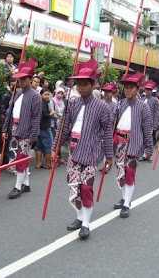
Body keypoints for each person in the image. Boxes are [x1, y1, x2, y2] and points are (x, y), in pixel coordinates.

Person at [51, 58, 113, 239]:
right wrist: (55, 148)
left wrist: (109, 155)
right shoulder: (73, 104)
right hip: (73, 152)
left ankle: (86, 223)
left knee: (86, 188)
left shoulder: (101, 106)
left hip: (92, 152)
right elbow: (63, 127)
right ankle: (79, 217)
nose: (82, 87)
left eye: (86, 84)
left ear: (93, 85)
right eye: (79, 84)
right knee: (74, 187)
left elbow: (107, 132)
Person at [111, 71, 153, 218]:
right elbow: (112, 124)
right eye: (126, 87)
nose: (128, 90)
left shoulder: (143, 107)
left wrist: (149, 147)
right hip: (119, 144)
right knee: (121, 172)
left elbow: (147, 129)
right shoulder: (119, 105)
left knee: (130, 173)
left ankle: (127, 203)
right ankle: (124, 198)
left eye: (131, 87)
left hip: (134, 145)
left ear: (137, 89)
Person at [2, 59, 41, 199]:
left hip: (26, 130)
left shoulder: (36, 96)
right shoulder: (17, 94)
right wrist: (5, 129)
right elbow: (9, 112)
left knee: (21, 157)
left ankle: (18, 186)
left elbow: (36, 118)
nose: (21, 81)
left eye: (24, 79)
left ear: (30, 79)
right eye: (20, 78)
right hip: (14, 128)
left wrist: (33, 135)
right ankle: (26, 183)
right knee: (19, 156)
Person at [140, 80, 159, 158]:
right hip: (141, 122)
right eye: (146, 89)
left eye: (149, 90)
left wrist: (155, 124)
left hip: (149, 122)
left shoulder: (155, 100)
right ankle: (141, 152)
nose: (147, 91)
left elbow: (156, 113)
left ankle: (146, 153)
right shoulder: (142, 99)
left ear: (151, 91)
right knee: (141, 137)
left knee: (148, 138)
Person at [36, 88, 54, 169]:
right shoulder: (43, 104)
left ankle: (38, 163)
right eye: (45, 95)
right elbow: (44, 115)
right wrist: (51, 114)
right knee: (48, 146)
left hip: (39, 128)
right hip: (45, 127)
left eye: (48, 95)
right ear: (41, 95)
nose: (47, 96)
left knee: (39, 146)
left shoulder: (40, 103)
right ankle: (48, 164)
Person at [50, 87, 67, 165]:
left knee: (59, 140)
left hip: (61, 123)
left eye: (61, 93)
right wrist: (59, 116)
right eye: (58, 93)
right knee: (55, 140)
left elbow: (64, 113)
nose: (60, 95)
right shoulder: (52, 101)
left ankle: (58, 157)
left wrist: (60, 116)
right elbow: (52, 113)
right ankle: (56, 158)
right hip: (54, 124)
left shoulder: (62, 102)